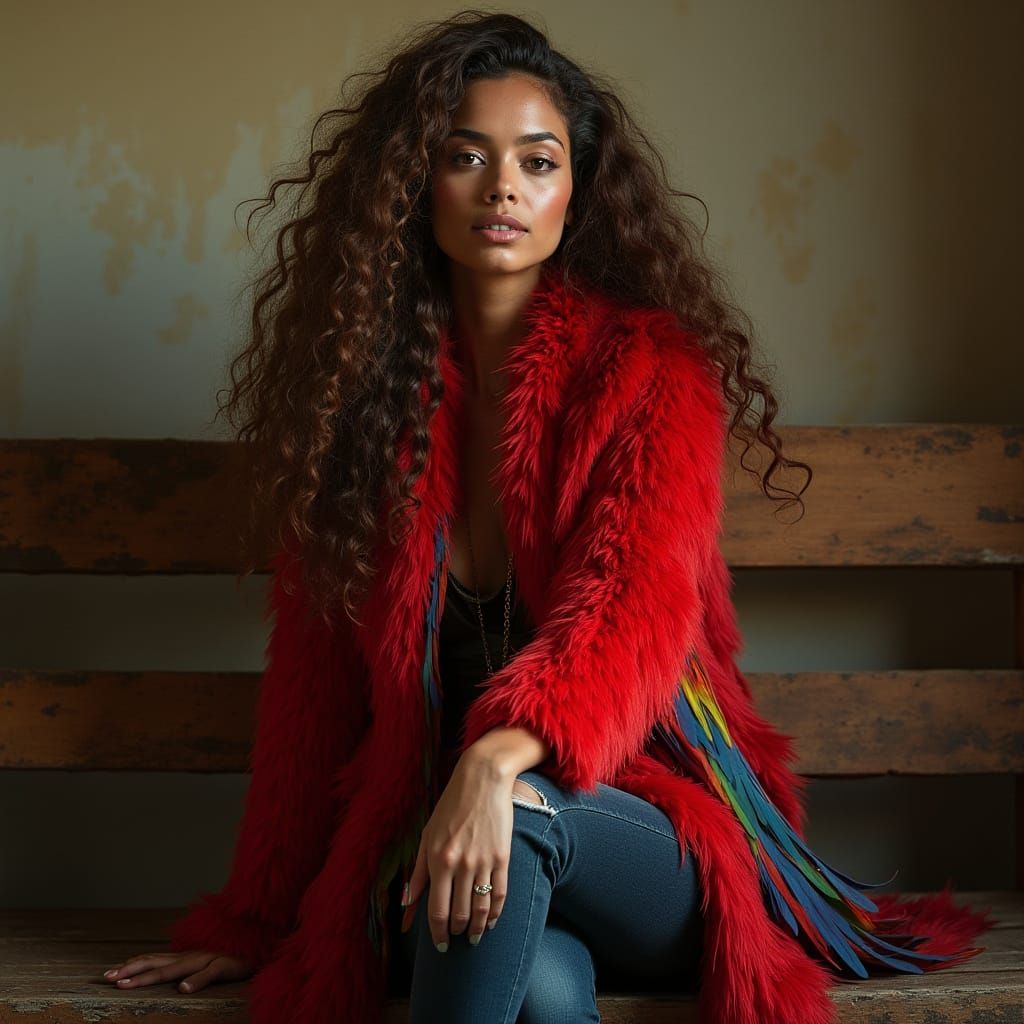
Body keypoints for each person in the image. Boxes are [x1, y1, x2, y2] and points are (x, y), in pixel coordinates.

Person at [101, 11, 993, 1024]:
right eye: (465, 156)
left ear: (577, 192)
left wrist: (496, 757)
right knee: (546, 985)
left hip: (649, 829)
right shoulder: (360, 413)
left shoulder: (646, 376)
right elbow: (312, 694)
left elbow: (634, 615)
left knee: (517, 824)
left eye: (538, 160)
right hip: (437, 845)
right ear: (411, 186)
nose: (503, 189)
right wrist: (254, 920)